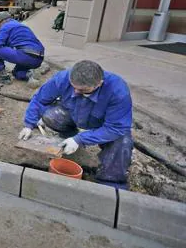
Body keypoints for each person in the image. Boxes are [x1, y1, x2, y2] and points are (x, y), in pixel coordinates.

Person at [19, 60, 133, 189]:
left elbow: (116, 127)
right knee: (51, 116)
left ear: (99, 84)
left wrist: (80, 139)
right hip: (73, 113)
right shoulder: (63, 78)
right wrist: (29, 124)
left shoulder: (117, 91)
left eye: (82, 90)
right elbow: (40, 100)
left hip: (103, 124)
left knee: (122, 141)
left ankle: (111, 183)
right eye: (74, 87)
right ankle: (68, 141)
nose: (76, 92)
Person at [0, 12, 44, 81]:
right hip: (38, 59)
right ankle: (30, 75)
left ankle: (1, 73)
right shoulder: (21, 26)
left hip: (26, 55)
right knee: (17, 73)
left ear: (3, 21)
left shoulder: (6, 26)